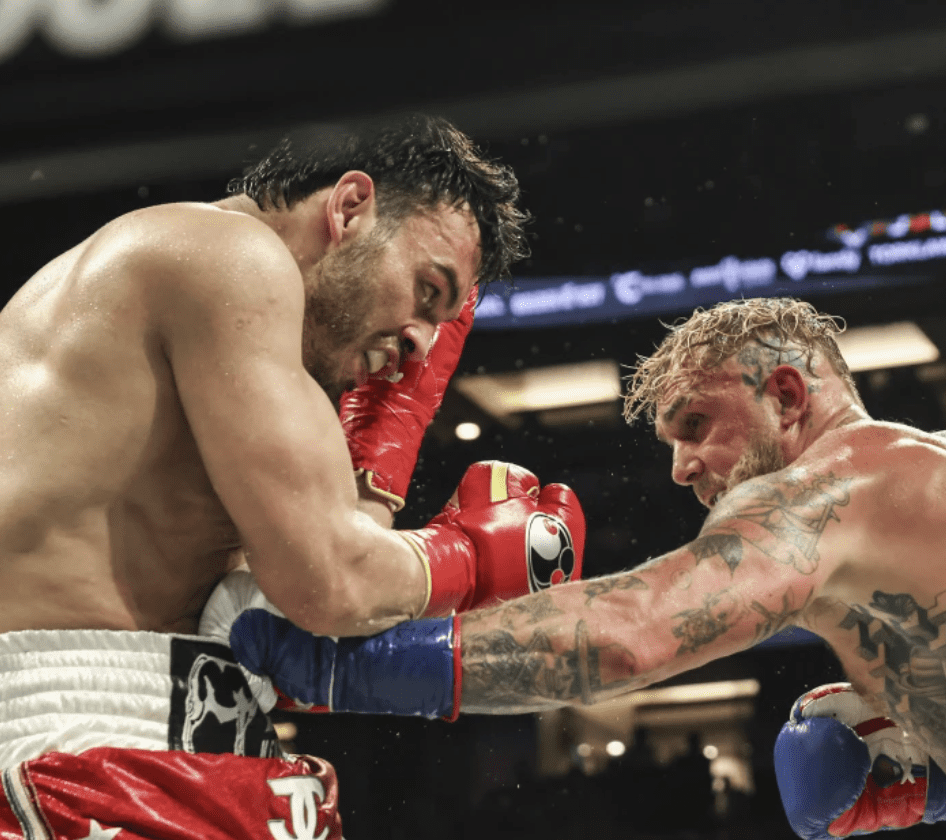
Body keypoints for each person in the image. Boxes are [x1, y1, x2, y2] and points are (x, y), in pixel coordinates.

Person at [222, 296, 946, 840]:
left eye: (695, 425)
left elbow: (629, 633)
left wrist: (341, 667)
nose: (682, 467)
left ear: (786, 392)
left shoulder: (836, 487)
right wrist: (935, 786)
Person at [0, 114, 584, 840]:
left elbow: (289, 610)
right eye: (426, 290)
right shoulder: (226, 253)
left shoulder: (213, 325)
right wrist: (467, 556)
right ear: (350, 207)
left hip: (154, 740)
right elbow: (331, 583)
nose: (421, 341)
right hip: (82, 743)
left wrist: (383, 449)